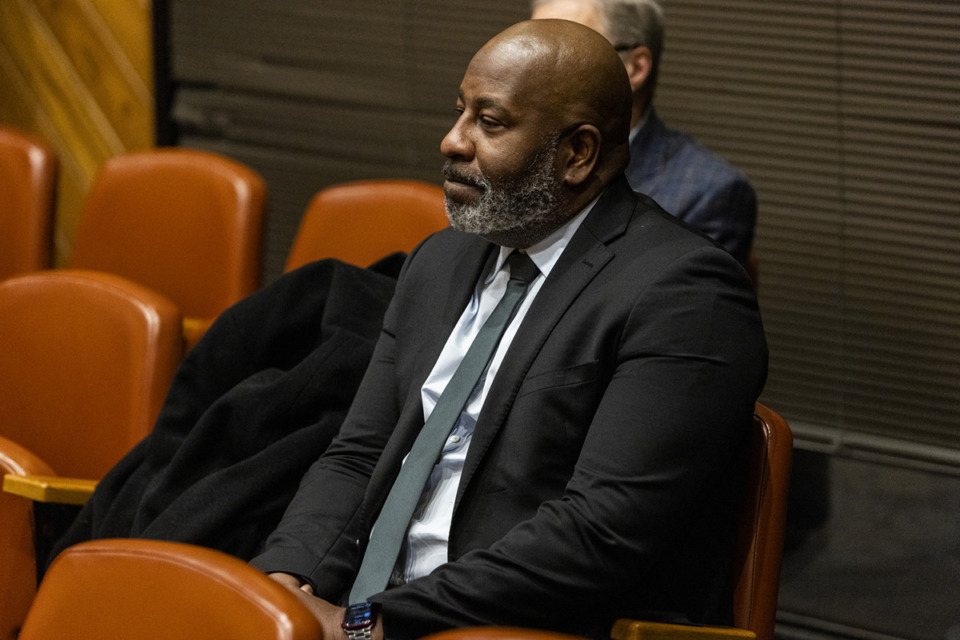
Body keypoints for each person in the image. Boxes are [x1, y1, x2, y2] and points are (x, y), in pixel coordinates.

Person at [251, 19, 767, 640]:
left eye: (489, 123)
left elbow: (599, 532)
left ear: (577, 155)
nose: (451, 140)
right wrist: (285, 585)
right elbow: (358, 452)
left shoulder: (683, 295)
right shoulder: (441, 260)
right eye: (459, 112)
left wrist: (368, 624)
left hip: (519, 626)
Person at [531, 0, 758, 266]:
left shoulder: (708, 194)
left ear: (634, 67)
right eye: (529, 47)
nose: (530, 67)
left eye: (561, 49)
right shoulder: (505, 156)